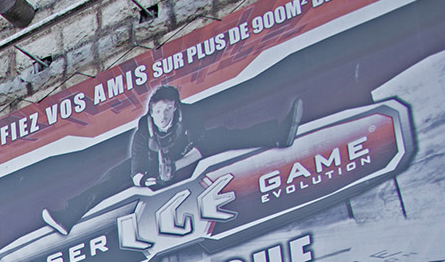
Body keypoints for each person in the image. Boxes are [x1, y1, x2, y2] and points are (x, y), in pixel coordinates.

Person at [41, 86, 304, 234]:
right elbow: (137, 166)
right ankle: (68, 216)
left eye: (168, 109)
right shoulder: (144, 129)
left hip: (184, 156)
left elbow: (202, 144)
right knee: (111, 178)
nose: (163, 115)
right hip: (154, 165)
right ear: (151, 111)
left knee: (224, 135)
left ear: (176, 108)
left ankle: (279, 135)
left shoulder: (190, 116)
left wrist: (176, 166)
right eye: (158, 110)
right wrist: (150, 177)